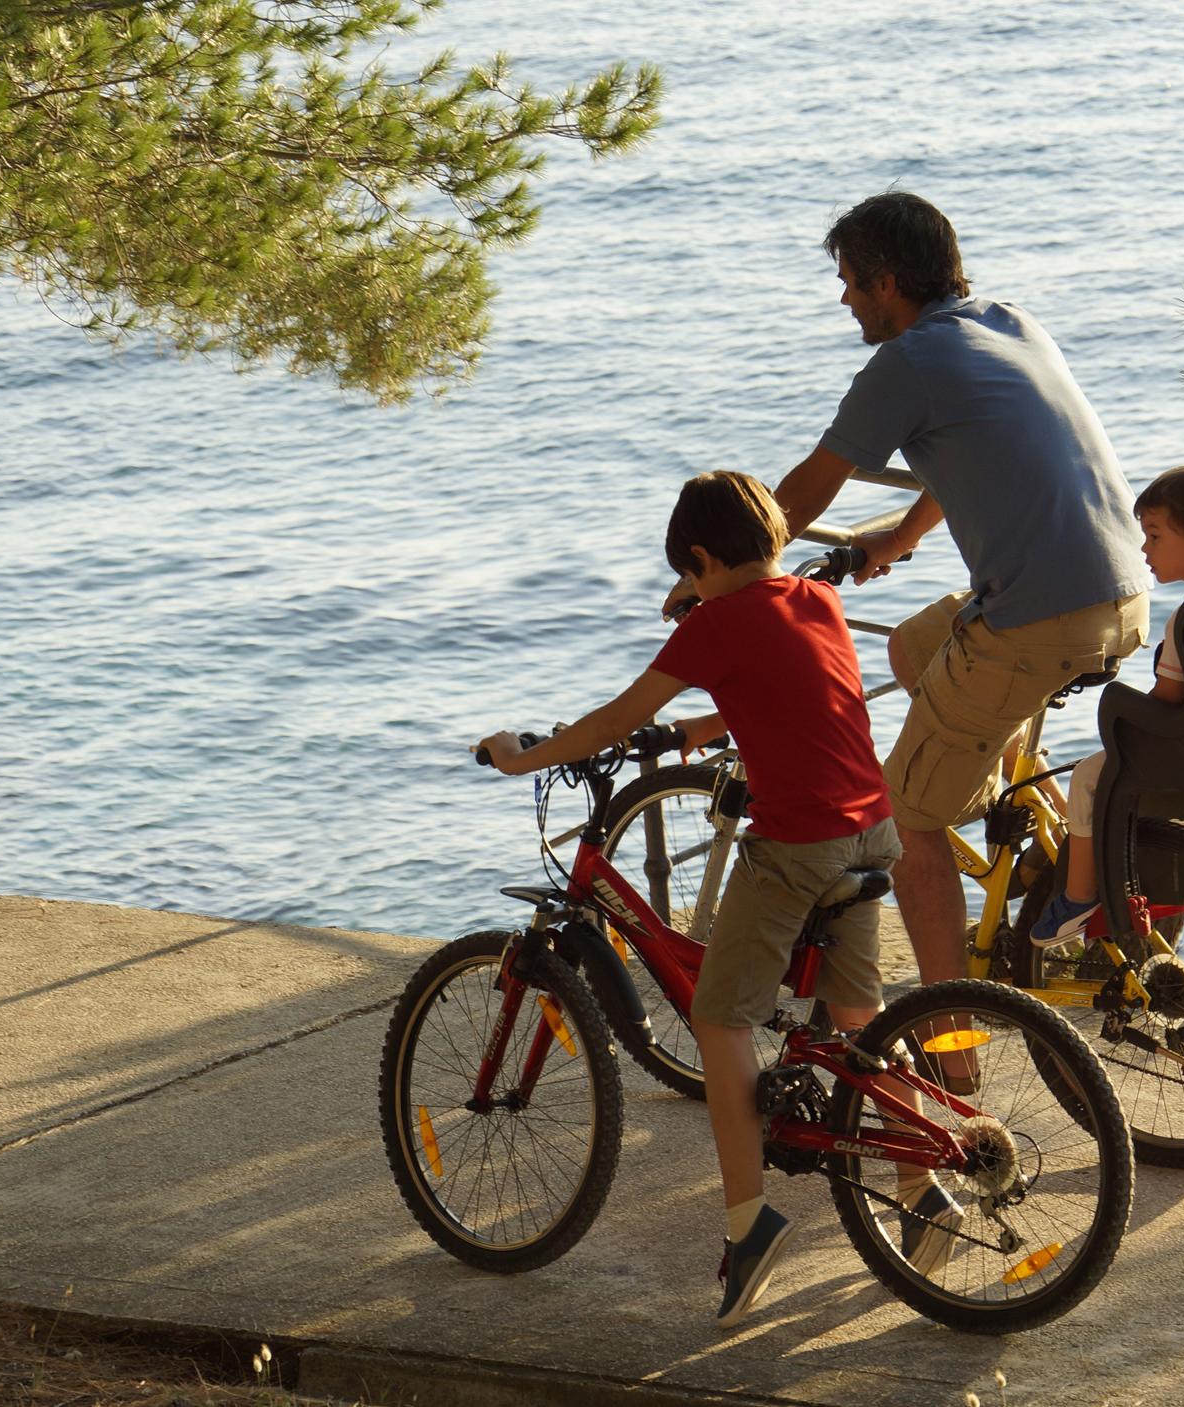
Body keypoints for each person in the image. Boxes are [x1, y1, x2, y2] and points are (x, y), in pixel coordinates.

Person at [673, 191, 1150, 990]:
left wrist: (716, 578)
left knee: (905, 820)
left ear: (888, 282)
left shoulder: (904, 363)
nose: (845, 299)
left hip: (1037, 618)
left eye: (852, 282)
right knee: (913, 645)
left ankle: (947, 1037)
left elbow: (802, 496)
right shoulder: (1012, 322)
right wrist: (899, 537)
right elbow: (983, 446)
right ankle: (1016, 851)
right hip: (1123, 592)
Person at [478, 471, 903, 1328]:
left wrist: (526, 755)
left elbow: (611, 719)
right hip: (873, 826)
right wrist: (694, 731)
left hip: (800, 846)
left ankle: (750, 1226)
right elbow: (794, 696)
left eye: (693, 575)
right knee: (860, 1017)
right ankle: (924, 1196)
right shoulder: (812, 598)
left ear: (701, 561)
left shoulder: (714, 622)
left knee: (720, 1020)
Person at [1032, 462, 1184, 943]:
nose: (1144, 548)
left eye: (1155, 536)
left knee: (1089, 777)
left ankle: (1076, 898)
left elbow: (1167, 698)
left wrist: (1127, 719)